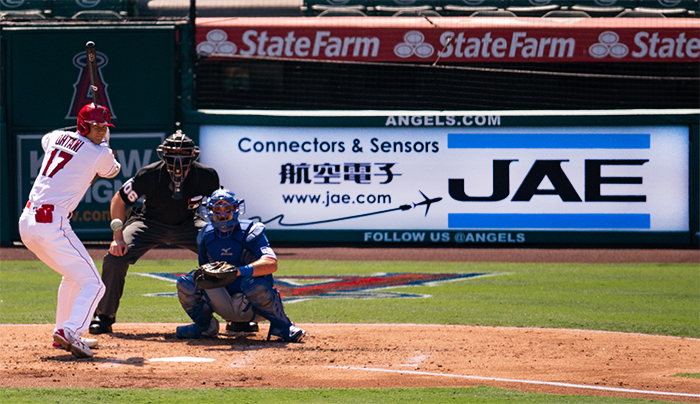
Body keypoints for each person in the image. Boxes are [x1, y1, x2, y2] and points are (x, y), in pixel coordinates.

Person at [89, 130, 229, 334]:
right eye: (173, 156)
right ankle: (104, 315)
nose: (178, 161)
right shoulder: (149, 174)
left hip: (189, 224)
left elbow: (221, 204)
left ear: (193, 156)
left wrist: (223, 235)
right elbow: (118, 200)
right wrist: (117, 237)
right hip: (149, 223)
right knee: (115, 258)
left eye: (183, 155)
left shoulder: (207, 176)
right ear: (163, 155)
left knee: (227, 253)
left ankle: (236, 316)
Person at [19, 103, 121, 358]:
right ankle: (71, 330)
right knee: (96, 285)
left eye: (104, 128)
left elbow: (49, 139)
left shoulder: (56, 137)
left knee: (73, 275)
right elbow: (112, 170)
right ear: (84, 125)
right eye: (97, 127)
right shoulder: (100, 153)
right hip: (52, 224)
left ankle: (61, 331)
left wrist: (90, 138)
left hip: (28, 223)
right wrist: (105, 146)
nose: (100, 132)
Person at [175, 188, 305, 343]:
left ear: (236, 210)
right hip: (223, 300)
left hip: (255, 305)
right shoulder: (205, 235)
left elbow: (271, 263)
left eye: (227, 209)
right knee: (187, 282)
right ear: (209, 212)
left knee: (252, 284)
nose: (222, 214)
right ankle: (205, 326)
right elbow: (204, 275)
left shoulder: (252, 231)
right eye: (217, 210)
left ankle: (283, 326)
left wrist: (237, 271)